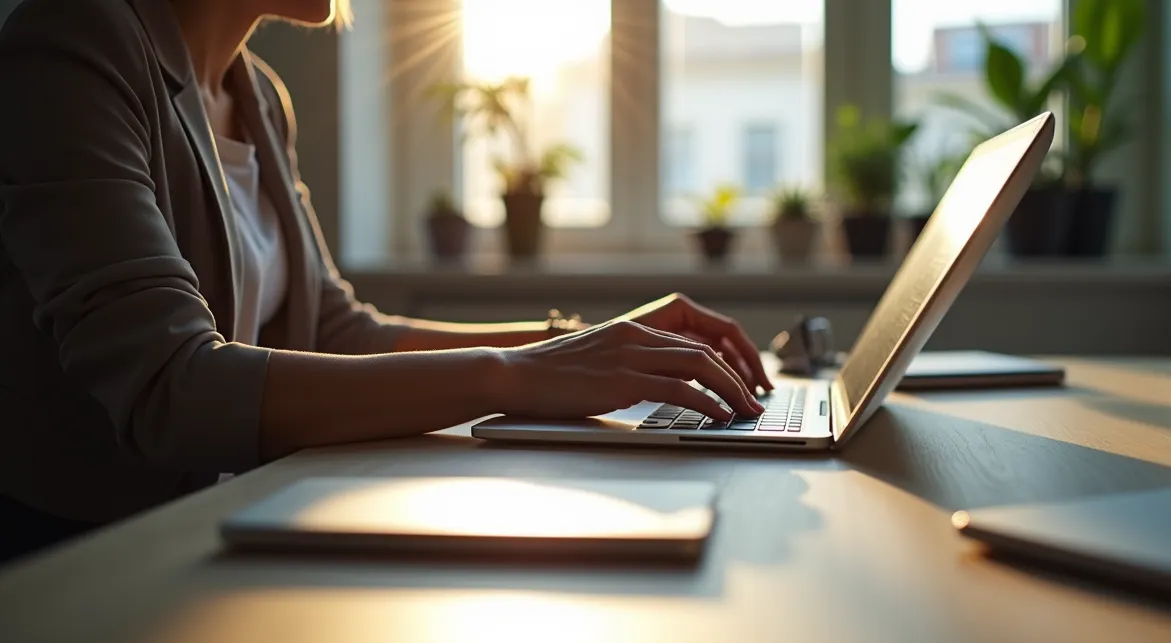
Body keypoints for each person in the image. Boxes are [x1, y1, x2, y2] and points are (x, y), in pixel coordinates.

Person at [0, 0, 770, 563]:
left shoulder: (256, 93)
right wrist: (521, 375)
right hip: (84, 565)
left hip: (210, 531)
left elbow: (339, 331)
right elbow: (172, 389)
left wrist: (591, 345)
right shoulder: (70, 48)